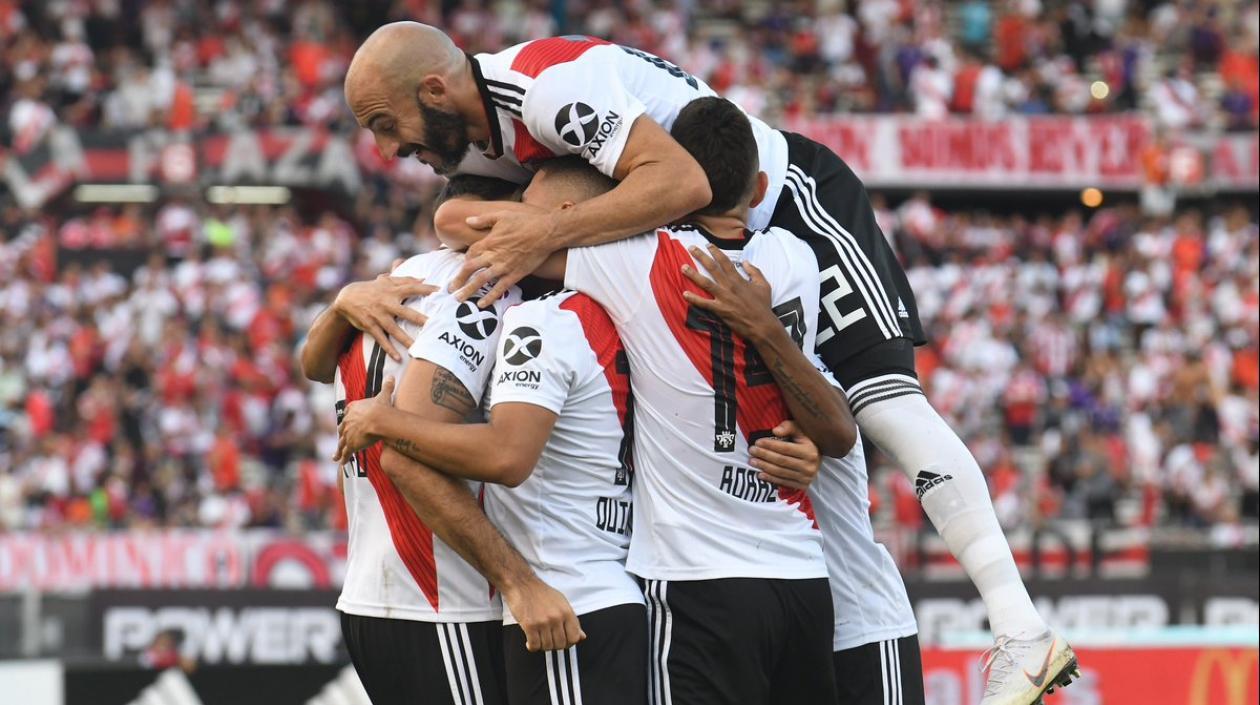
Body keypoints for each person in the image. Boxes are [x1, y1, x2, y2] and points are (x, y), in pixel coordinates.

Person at [344, 23, 1075, 705]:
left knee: (881, 405)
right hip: (688, 251)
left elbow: (683, 184)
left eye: (385, 124)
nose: (385, 149)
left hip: (780, 205)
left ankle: (1019, 626)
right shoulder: (471, 137)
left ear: (435, 91)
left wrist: (545, 232)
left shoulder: (546, 89)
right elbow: (455, 218)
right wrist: (356, 292)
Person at [517, 119, 855, 702]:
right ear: (757, 191)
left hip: (695, 577)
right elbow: (836, 429)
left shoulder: (634, 257)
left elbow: (488, 234)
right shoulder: (795, 257)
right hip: (800, 570)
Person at [300, 178, 581, 705]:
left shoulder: (387, 282)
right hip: (442, 599)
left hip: (372, 592)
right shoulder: (482, 287)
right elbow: (406, 455)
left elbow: (313, 367)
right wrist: (519, 582)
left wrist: (339, 305)